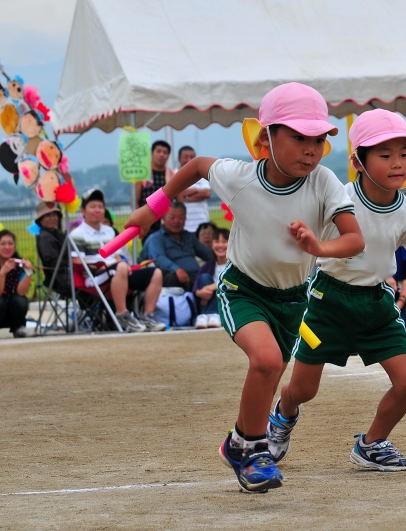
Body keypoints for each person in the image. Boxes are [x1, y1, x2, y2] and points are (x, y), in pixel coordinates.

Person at [125, 82, 364, 493]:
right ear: (265, 139)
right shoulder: (240, 177)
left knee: (270, 371)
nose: (311, 148)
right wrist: (154, 207)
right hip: (242, 290)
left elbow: (354, 239)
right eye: (298, 137)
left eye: (319, 139)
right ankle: (253, 451)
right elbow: (198, 164)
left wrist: (319, 245)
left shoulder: (323, 182)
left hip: (293, 300)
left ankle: (238, 442)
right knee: (268, 362)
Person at [268, 108, 406, 472]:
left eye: (405, 154)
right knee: (304, 390)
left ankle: (372, 444)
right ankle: (282, 415)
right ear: (358, 161)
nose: (398, 163)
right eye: (385, 155)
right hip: (327, 301)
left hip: (377, 302)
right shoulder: (337, 196)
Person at [70, 189, 166, 333]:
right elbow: (76, 261)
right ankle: (123, 314)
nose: (97, 210)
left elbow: (118, 256)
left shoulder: (110, 231)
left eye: (100, 207)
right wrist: (99, 266)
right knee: (120, 267)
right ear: (83, 211)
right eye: (93, 207)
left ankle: (148, 316)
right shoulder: (77, 234)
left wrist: (123, 264)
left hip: (117, 271)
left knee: (155, 273)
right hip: (94, 276)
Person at [142, 201, 213, 290]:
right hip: (172, 280)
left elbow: (208, 254)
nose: (177, 221)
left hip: (196, 277)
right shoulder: (156, 239)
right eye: (172, 218)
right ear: (163, 218)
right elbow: (159, 258)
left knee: (208, 279)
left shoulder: (189, 237)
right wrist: (177, 269)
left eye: (181, 218)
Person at [136, 140, 174, 239]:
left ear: (168, 156)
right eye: (158, 151)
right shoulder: (142, 174)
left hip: (167, 222)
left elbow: (178, 199)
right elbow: (136, 200)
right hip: (147, 222)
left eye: (165, 152)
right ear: (152, 153)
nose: (162, 155)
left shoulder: (172, 175)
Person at [193, 227, 229, 329]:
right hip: (207, 301)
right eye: (217, 241)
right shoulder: (208, 266)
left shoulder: (235, 265)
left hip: (227, 303)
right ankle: (206, 315)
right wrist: (200, 292)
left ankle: (211, 314)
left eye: (225, 242)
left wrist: (212, 287)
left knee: (222, 289)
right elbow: (196, 286)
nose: (220, 245)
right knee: (204, 277)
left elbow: (231, 283)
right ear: (212, 245)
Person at [0, 229, 33, 337]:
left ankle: (18, 328)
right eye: (3, 244)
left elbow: (21, 292)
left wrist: (29, 271)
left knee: (20, 300)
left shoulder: (19, 264)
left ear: (15, 246)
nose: (7, 247)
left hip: (13, 304)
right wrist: (2, 273)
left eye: (10, 243)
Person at [34, 201, 69, 296]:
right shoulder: (45, 237)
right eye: (48, 216)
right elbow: (54, 262)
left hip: (66, 274)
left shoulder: (57, 233)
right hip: (59, 278)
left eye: (54, 215)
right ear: (41, 220)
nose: (52, 218)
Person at [176, 146, 213, 233]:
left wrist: (186, 196)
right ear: (179, 159)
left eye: (192, 157)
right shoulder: (174, 174)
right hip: (183, 225)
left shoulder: (201, 175)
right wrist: (196, 191)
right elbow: (179, 197)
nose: (189, 160)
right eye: (186, 157)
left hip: (202, 223)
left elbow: (206, 193)